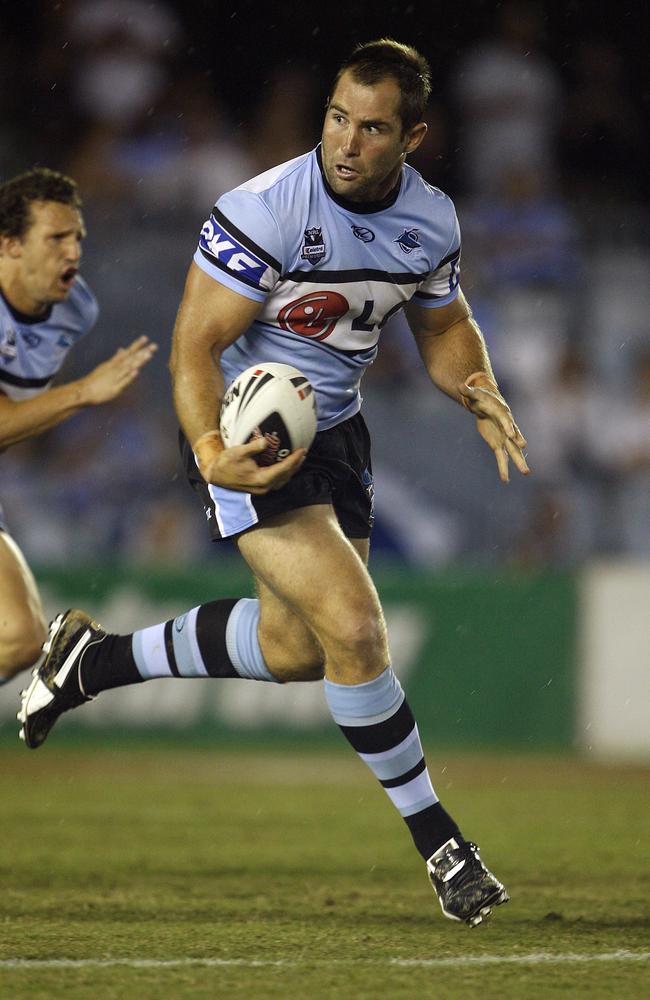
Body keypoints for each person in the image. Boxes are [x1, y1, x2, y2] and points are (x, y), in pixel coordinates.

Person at [18, 41, 529, 928]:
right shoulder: (262, 211)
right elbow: (195, 346)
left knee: (298, 651)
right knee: (358, 628)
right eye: (337, 117)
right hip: (249, 432)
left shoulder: (432, 222)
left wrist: (474, 385)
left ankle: (88, 662)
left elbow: (447, 329)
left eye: (372, 129)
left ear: (411, 137)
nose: (347, 141)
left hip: (338, 433)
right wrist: (213, 449)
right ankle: (443, 845)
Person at [0, 167, 156, 683]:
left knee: (21, 640)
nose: (72, 252)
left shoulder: (75, 309)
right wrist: (85, 393)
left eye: (78, 238)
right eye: (55, 238)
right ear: (10, 245)